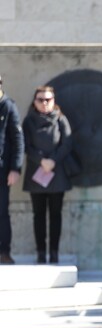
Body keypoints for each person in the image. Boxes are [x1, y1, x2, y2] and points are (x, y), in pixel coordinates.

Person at [21, 86, 73, 264]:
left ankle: (54, 253)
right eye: (40, 99)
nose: (44, 103)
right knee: (39, 214)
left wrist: (53, 161)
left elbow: (67, 143)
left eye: (48, 99)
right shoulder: (28, 121)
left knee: (56, 214)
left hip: (56, 173)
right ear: (34, 102)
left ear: (54, 101)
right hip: (36, 172)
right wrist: (41, 160)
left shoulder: (61, 119)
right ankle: (41, 253)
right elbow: (25, 145)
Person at [0, 73, 24, 264]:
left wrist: (15, 168)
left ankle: (4, 252)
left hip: (2, 170)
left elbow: (18, 140)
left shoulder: (8, 106)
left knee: (2, 211)